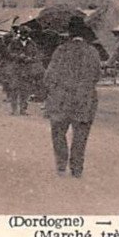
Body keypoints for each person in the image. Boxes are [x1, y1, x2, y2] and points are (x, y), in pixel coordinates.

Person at [43, 15, 102, 178]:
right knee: (81, 135)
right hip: (84, 99)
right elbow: (97, 76)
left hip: (61, 99)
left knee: (58, 132)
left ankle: (61, 164)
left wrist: (55, 90)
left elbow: (49, 76)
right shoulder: (92, 52)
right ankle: (77, 167)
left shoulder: (61, 51)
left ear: (69, 33)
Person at [6, 25, 40, 115]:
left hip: (27, 69)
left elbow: (36, 55)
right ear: (19, 33)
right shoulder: (14, 42)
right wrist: (18, 56)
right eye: (22, 33)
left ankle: (23, 109)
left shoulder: (32, 43)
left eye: (26, 33)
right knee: (14, 89)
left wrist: (30, 59)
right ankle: (14, 109)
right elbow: (8, 53)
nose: (24, 35)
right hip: (16, 69)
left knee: (25, 90)